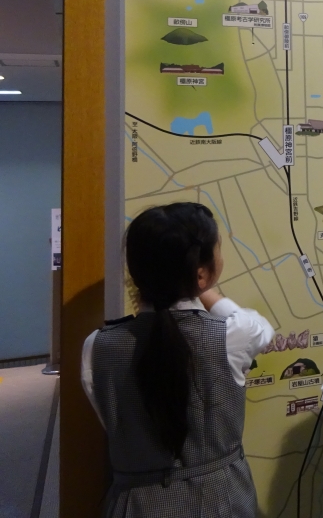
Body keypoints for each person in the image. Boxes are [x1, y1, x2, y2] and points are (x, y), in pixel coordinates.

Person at [80, 202, 274, 518]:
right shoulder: (232, 335)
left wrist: (180, 283)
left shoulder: (97, 346)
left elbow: (112, 421)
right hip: (223, 501)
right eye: (218, 249)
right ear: (202, 272)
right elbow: (261, 329)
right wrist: (198, 287)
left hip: (136, 505)